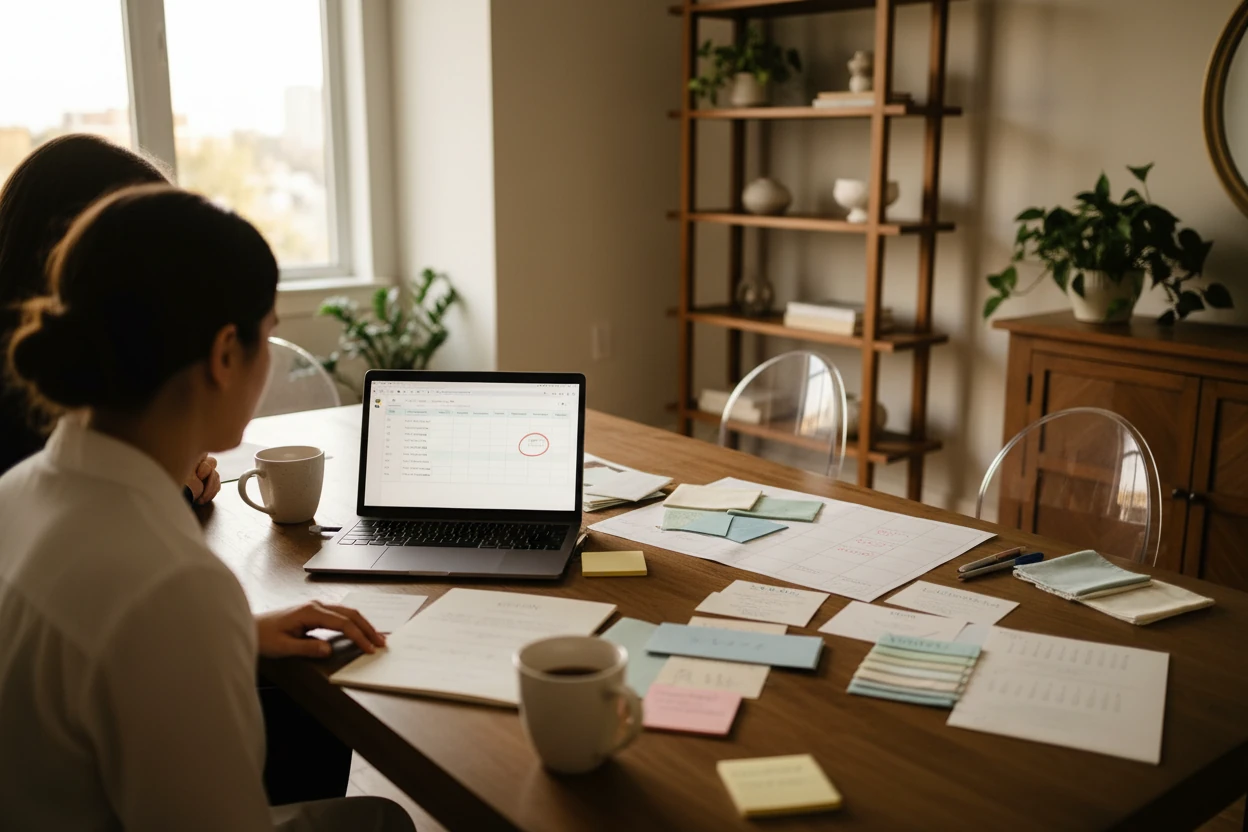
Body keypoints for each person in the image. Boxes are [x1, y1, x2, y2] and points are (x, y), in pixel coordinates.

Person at [0, 184, 413, 832]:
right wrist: (200, 626)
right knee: (383, 821)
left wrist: (233, 634)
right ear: (225, 354)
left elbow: (74, 660)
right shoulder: (169, 587)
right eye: (268, 338)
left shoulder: (19, 492)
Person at [0, 134, 220, 502]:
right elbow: (66, 511)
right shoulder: (29, 378)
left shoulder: (89, 344)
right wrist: (168, 487)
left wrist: (169, 468)